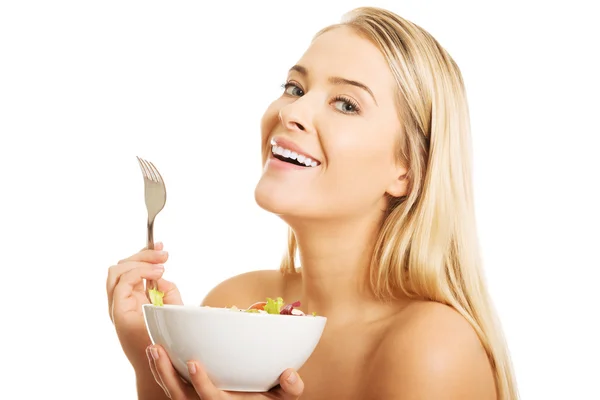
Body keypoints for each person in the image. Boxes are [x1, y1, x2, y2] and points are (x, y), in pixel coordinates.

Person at [107, 6, 519, 400]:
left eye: (346, 104)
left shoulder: (433, 349)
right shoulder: (232, 303)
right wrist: (153, 357)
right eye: (295, 88)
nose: (293, 111)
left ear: (406, 169)